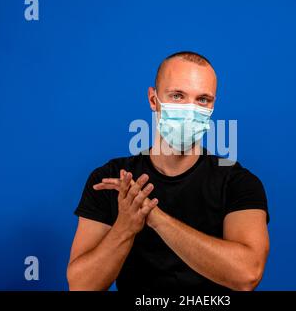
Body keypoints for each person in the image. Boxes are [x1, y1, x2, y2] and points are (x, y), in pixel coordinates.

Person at [67, 51, 270, 291]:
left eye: (203, 99)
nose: (190, 110)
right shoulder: (114, 178)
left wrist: (155, 218)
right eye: (177, 96)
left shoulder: (238, 182)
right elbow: (81, 286)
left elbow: (247, 275)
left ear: (213, 105)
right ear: (153, 100)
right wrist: (125, 227)